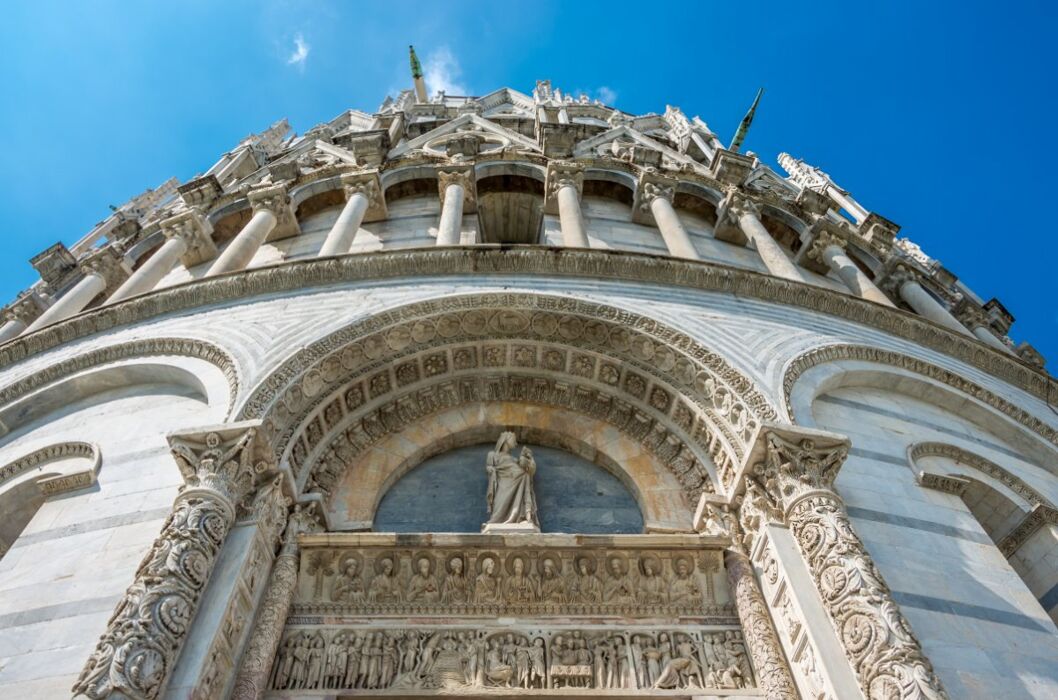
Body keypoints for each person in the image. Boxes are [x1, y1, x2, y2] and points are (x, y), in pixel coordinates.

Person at [484, 432, 539, 526]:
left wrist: (528, 458)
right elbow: (489, 467)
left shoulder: (514, 459)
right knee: (500, 502)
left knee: (525, 476)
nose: (516, 443)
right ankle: (495, 520)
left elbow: (529, 471)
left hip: (518, 482)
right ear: (506, 440)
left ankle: (521, 516)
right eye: (513, 440)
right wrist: (489, 469)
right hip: (503, 483)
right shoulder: (493, 455)